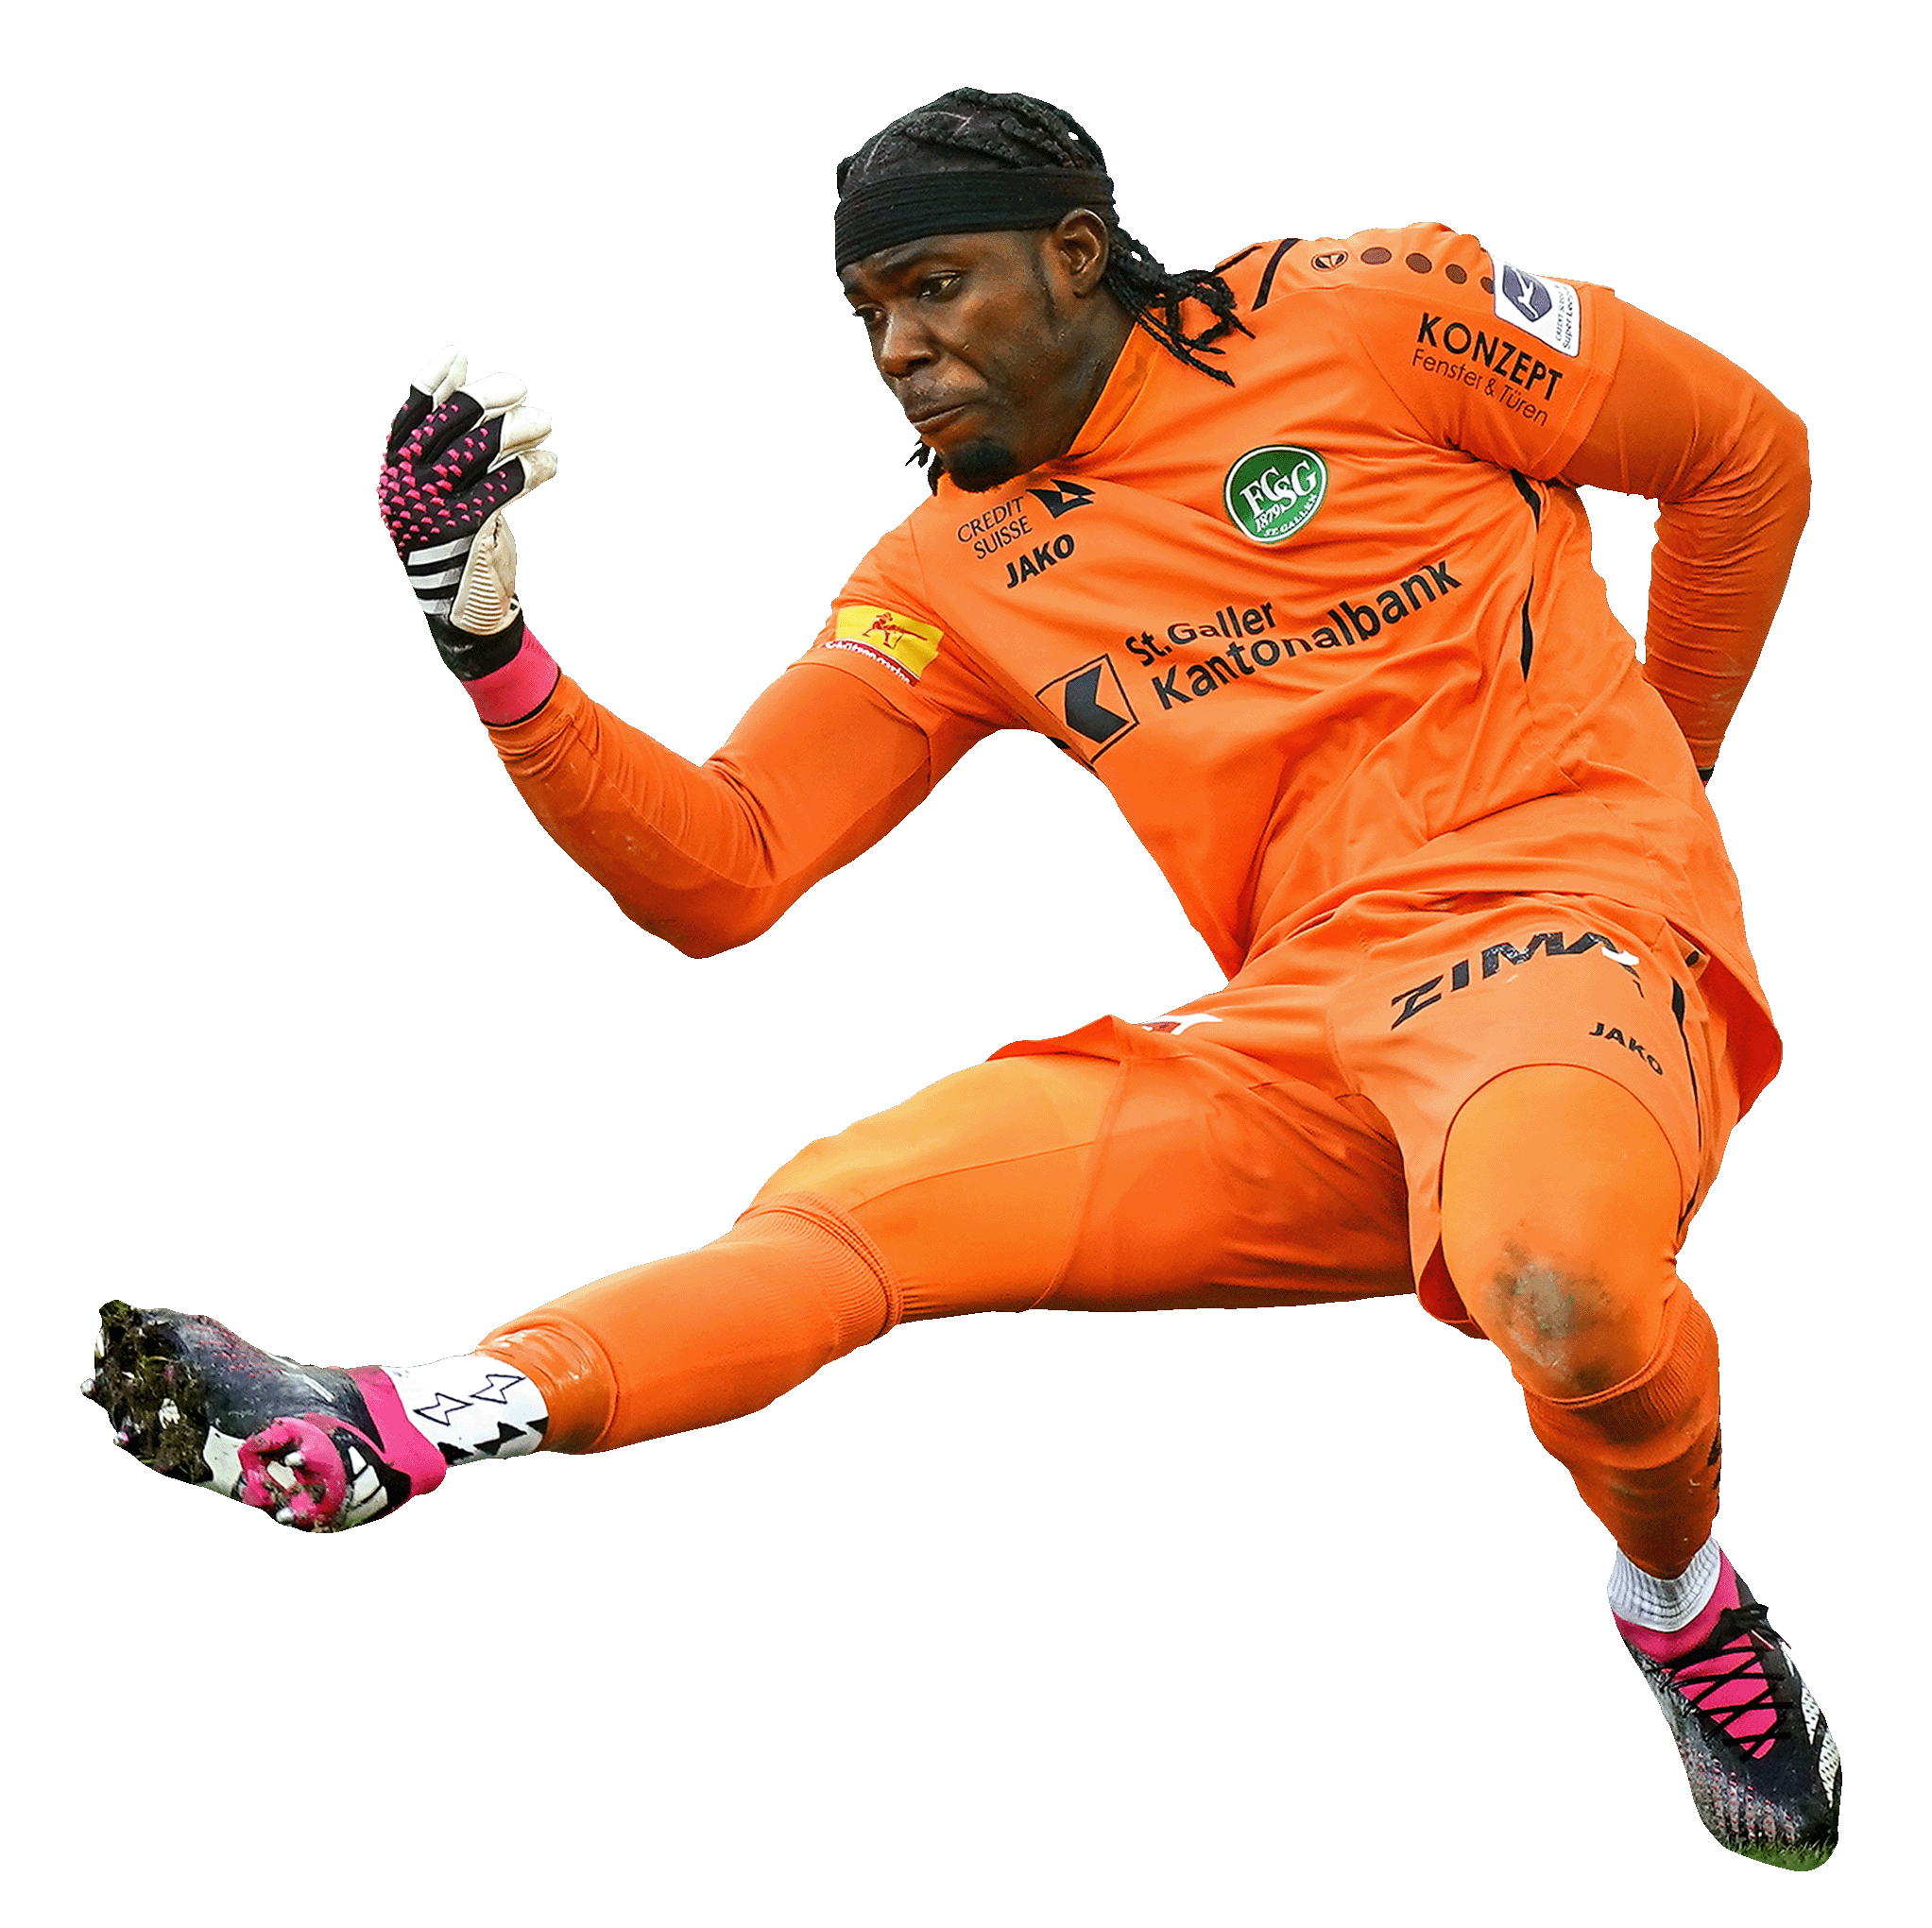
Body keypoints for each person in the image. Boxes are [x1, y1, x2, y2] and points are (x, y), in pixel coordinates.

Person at [84, 89, 1838, 1869]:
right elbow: (724, 869)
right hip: (1304, 1027)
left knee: (1562, 1281)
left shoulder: (1368, 310)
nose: (901, 352)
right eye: (870, 314)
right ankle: (404, 1418)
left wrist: (1662, 781)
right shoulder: (948, 571)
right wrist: (492, 650)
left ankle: (1676, 1598)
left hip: (1563, 919)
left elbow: (1740, 455)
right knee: (847, 1210)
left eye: (938, 288)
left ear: (1076, 255)